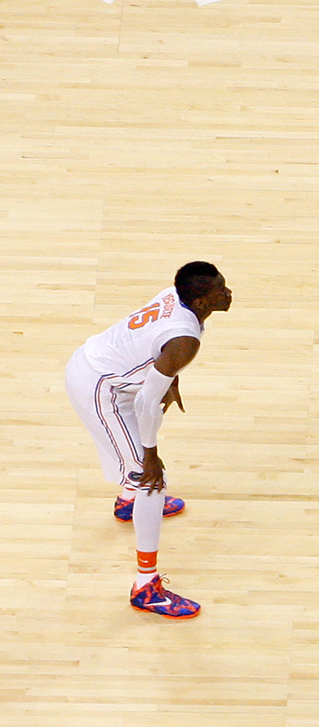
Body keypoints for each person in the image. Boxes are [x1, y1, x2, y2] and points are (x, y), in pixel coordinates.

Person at [65, 262, 234, 618]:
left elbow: (156, 353)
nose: (228, 292)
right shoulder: (185, 340)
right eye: (220, 289)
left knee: (143, 477)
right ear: (202, 300)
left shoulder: (176, 296)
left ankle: (129, 501)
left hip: (99, 367)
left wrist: (169, 379)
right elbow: (146, 405)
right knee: (152, 480)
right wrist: (150, 456)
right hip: (101, 390)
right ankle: (146, 587)